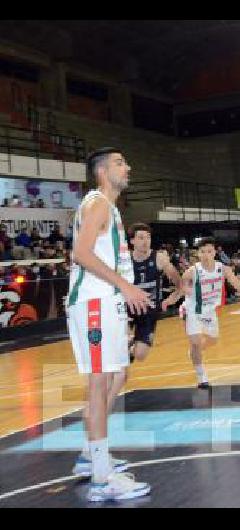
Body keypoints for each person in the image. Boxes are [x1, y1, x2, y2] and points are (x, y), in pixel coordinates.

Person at [65, 147, 152, 501]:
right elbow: (81, 254)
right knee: (99, 384)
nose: (127, 166)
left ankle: (91, 456)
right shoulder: (98, 202)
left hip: (106, 303)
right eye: (120, 162)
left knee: (118, 376)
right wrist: (125, 286)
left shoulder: (106, 206)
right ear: (102, 171)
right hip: (95, 304)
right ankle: (102, 478)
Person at [167, 238, 240, 389]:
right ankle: (201, 377)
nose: (206, 255)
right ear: (198, 253)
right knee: (196, 342)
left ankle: (194, 352)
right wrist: (169, 300)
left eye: (209, 251)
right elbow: (180, 290)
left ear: (214, 252)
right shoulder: (191, 272)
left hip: (209, 311)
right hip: (192, 310)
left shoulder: (223, 269)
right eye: (202, 252)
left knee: (213, 340)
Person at [120, 223, 182, 372]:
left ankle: (131, 349)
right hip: (126, 309)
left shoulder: (159, 259)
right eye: (141, 238)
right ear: (132, 241)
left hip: (149, 312)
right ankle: (122, 350)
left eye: (148, 237)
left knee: (140, 355)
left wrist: (171, 298)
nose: (145, 241)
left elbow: (180, 284)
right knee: (122, 340)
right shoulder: (124, 260)